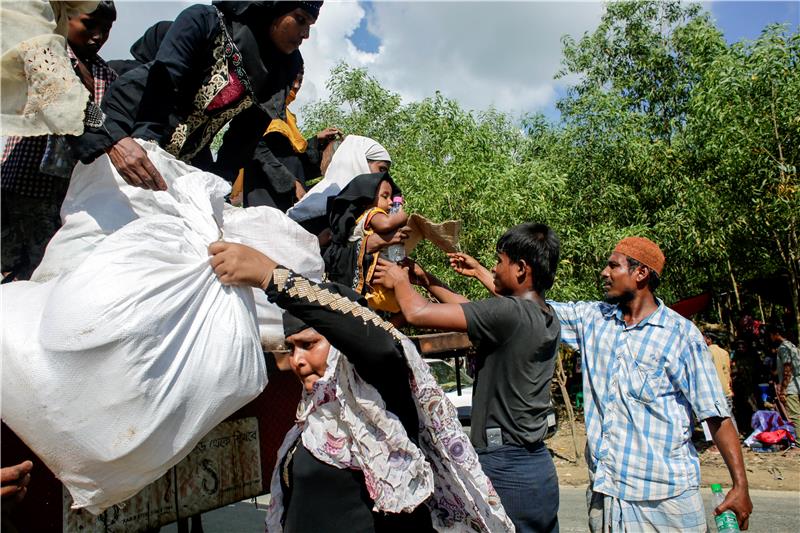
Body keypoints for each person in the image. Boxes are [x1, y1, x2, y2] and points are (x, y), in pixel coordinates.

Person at [207, 241, 513, 532]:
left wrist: (271, 277)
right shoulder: (317, 417)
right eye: (291, 348)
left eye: (309, 344)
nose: (297, 361)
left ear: (342, 346)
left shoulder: (383, 397)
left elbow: (376, 342)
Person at [544, 236, 751, 531]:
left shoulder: (680, 335)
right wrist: (486, 274)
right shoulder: (593, 321)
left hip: (665, 502)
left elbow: (716, 415)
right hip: (609, 495)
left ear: (640, 274)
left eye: (613, 265)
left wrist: (740, 485)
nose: (604, 272)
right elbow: (533, 309)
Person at [372, 222, 562, 533]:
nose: (494, 268)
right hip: (537, 468)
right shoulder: (545, 315)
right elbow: (473, 311)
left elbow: (418, 314)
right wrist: (427, 280)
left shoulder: (510, 314)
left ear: (521, 268)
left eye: (499, 261)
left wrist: (399, 280)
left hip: (506, 466)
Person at [69, 1, 323, 191]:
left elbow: (243, 137)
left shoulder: (279, 71)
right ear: (274, 8)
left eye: (310, 26)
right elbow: (163, 83)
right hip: (130, 125)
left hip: (187, 155)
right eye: (300, 19)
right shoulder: (205, 21)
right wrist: (143, 144)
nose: (305, 35)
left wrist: (217, 184)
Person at [1, 0, 117, 281]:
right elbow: (58, 95)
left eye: (106, 29)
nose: (98, 36)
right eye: (89, 25)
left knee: (40, 272)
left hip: (63, 193)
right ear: (68, 16)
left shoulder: (107, 75)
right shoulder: (46, 53)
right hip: (21, 181)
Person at [239, 62, 341, 211]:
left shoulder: (285, 116)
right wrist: (291, 183)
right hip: (265, 194)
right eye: (293, 79)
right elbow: (258, 151)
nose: (296, 85)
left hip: (289, 196)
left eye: (300, 80)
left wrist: (318, 142)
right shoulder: (260, 107)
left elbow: (292, 158)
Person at [324, 172, 408, 312]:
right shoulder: (372, 213)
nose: (391, 202)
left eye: (392, 197)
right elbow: (385, 224)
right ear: (367, 200)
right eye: (385, 196)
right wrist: (403, 213)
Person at [286, 134, 391, 235]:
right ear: (359, 162)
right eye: (381, 169)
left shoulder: (362, 205)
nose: (382, 177)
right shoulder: (325, 205)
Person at [767, 324, 800, 431]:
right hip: (797, 384)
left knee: (795, 416)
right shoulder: (792, 346)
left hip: (791, 388)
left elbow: (788, 369)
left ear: (776, 334)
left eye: (771, 335)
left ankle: (798, 442)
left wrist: (783, 390)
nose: (770, 338)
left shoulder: (783, 348)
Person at [704, 330, 738, 433]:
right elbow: (727, 371)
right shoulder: (724, 352)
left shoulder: (707, 351)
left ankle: (719, 443)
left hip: (715, 389)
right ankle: (735, 438)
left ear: (709, 340)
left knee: (717, 418)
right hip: (726, 388)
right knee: (729, 416)